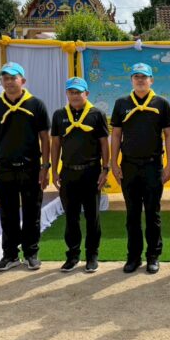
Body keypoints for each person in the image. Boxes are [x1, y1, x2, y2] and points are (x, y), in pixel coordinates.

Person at [0, 62, 51, 271]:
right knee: (8, 214)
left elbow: (45, 138)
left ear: (23, 80)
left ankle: (31, 253)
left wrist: (45, 167)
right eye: (5, 78)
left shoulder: (36, 104)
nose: (9, 82)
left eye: (13, 78)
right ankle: (10, 255)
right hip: (5, 168)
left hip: (30, 167)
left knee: (32, 213)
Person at [110, 62, 170, 274]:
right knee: (132, 215)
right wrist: (113, 162)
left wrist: (169, 165)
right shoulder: (121, 103)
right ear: (131, 80)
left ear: (151, 80)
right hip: (129, 166)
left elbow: (169, 135)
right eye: (136, 76)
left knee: (153, 214)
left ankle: (153, 256)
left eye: (144, 77)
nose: (140, 80)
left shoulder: (161, 103)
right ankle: (134, 257)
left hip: (152, 166)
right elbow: (116, 134)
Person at [50, 77, 110, 273]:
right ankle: (73, 256)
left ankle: (92, 256)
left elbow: (104, 143)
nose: (75, 96)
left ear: (87, 94)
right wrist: (54, 170)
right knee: (71, 217)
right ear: (67, 94)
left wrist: (105, 168)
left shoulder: (97, 114)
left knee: (92, 217)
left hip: (91, 172)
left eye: (78, 92)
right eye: (71, 92)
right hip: (68, 172)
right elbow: (56, 143)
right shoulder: (59, 115)